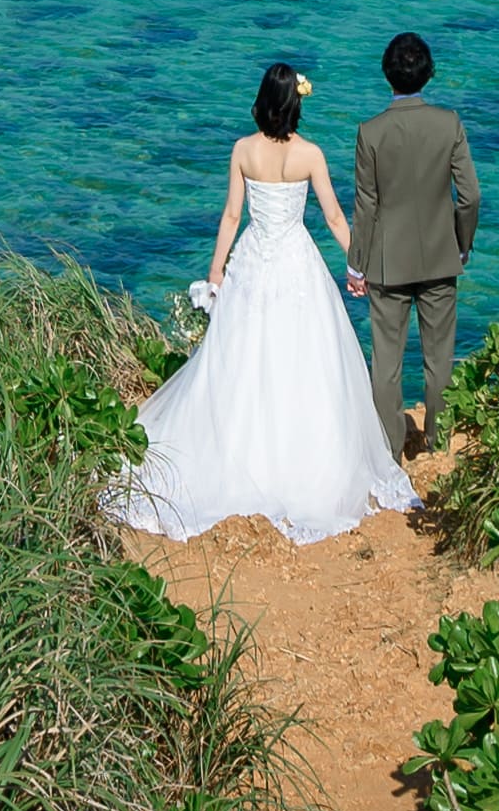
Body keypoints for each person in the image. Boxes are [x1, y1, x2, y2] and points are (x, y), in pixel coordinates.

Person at [102, 60, 417, 544]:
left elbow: (232, 215)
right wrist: (360, 267)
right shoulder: (310, 154)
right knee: (304, 361)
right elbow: (333, 216)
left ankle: (237, 457)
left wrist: (215, 273)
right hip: (296, 264)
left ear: (263, 101)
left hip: (252, 262)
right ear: (296, 104)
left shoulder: (242, 151)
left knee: (242, 362)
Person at [346, 31, 480, 453]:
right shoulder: (450, 123)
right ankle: (437, 444)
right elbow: (470, 195)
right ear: (429, 74)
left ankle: (389, 452)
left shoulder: (370, 132)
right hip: (441, 256)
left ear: (387, 75)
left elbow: (366, 206)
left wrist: (356, 263)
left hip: (388, 262)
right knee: (439, 360)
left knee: (386, 363)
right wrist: (462, 243)